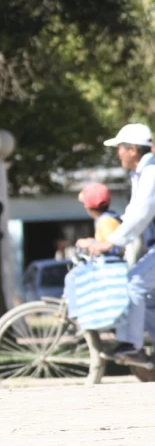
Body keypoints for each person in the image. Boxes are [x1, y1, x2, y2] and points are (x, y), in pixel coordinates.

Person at [83, 123, 155, 364]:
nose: (118, 154)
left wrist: (111, 241)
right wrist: (104, 240)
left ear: (133, 149)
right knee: (149, 300)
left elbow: (143, 213)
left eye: (120, 148)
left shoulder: (151, 173)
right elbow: (132, 213)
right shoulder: (141, 174)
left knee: (134, 282)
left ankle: (131, 346)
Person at [75, 182, 122, 257]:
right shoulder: (106, 218)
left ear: (87, 207)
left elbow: (115, 247)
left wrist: (91, 244)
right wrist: (93, 241)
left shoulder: (106, 221)